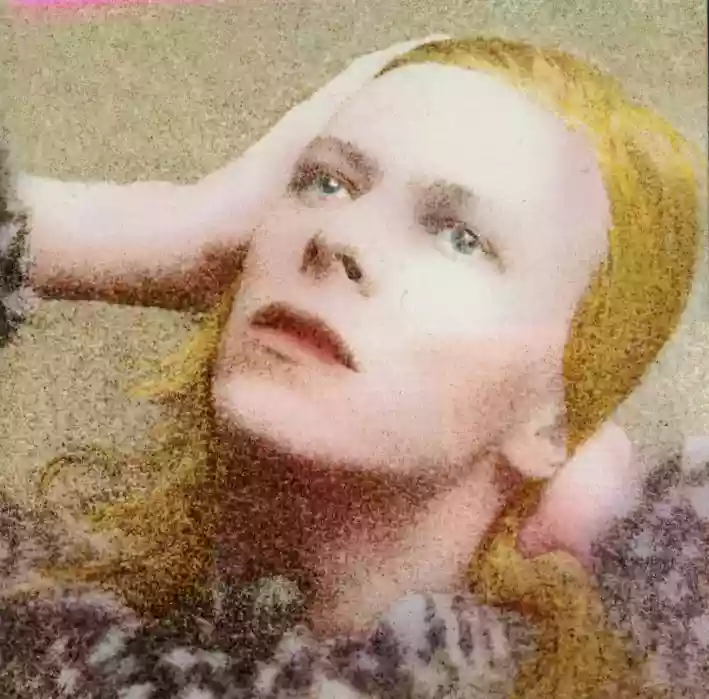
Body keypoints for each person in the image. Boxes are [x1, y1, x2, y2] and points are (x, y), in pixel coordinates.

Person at [1, 34, 705, 698]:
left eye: (460, 237)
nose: (337, 237)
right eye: (325, 183)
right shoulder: (36, 633)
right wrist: (148, 229)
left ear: (556, 417)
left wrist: (624, 523)